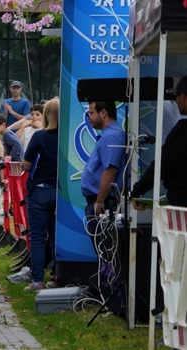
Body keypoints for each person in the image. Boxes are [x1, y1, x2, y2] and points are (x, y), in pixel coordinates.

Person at [81, 100, 127, 299]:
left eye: (91, 112)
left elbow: (110, 170)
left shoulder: (113, 135)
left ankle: (109, 292)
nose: (89, 116)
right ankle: (103, 287)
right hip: (98, 201)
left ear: (104, 113)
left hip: (104, 203)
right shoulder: (108, 136)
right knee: (103, 248)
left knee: (107, 248)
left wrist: (99, 201)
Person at [21, 98, 59, 291]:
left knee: (37, 237)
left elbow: (26, 165)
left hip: (40, 190)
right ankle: (57, 276)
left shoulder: (39, 136)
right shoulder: (66, 136)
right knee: (56, 237)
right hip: (61, 192)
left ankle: (37, 280)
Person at [131, 77, 187, 207]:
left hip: (182, 209)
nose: (176, 102)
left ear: (183, 96)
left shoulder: (182, 131)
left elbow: (161, 166)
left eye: (176, 97)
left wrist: (137, 191)